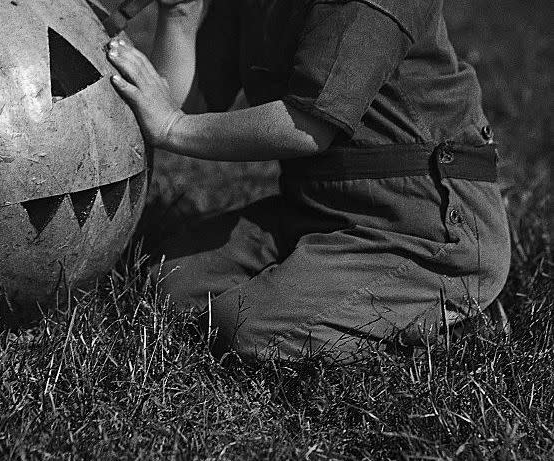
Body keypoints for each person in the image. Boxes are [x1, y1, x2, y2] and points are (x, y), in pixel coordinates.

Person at [105, 0, 511, 361]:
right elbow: (195, 102)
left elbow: (308, 126)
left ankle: (450, 301)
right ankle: (341, 288)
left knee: (246, 327)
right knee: (167, 285)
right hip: (317, 208)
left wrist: (174, 127)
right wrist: (180, 13)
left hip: (424, 222)